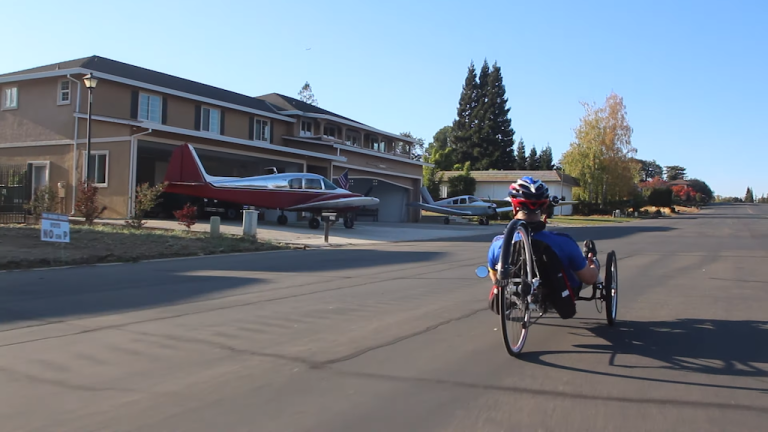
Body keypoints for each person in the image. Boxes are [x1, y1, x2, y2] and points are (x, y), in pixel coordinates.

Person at [487, 176, 601, 314]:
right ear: (545, 207)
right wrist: (594, 265)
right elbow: (589, 279)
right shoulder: (564, 242)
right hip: (560, 292)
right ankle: (591, 258)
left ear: (514, 206)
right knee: (586, 263)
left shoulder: (498, 244)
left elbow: (496, 276)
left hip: (518, 292)